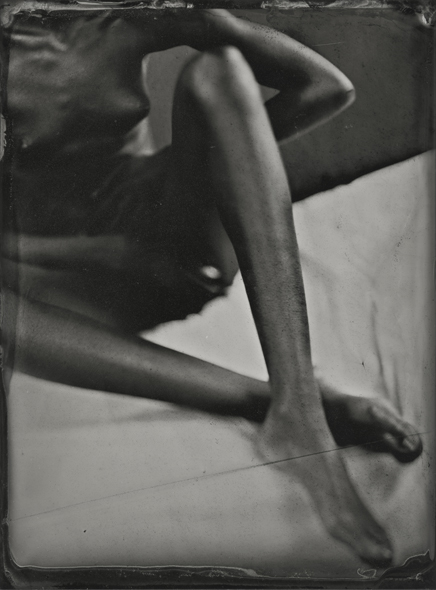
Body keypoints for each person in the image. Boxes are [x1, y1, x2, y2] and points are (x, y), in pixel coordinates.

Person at [1, 2, 423, 566]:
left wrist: (212, 163)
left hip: (174, 250)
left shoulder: (126, 19)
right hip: (70, 286)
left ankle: (298, 402)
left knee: (219, 69)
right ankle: (276, 406)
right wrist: (98, 251)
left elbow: (328, 88)